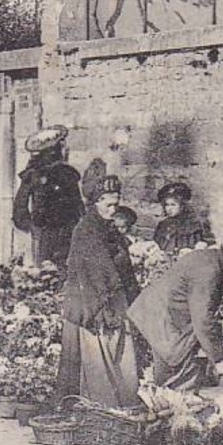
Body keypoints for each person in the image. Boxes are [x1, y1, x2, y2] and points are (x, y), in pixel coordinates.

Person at [127, 229, 223, 392]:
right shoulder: (209, 272)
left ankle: (165, 402)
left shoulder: (208, 257)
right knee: (178, 376)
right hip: (162, 317)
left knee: (170, 372)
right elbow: (203, 320)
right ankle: (175, 408)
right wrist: (220, 361)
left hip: (158, 311)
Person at [59, 163, 141, 408]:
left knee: (118, 360)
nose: (113, 208)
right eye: (108, 203)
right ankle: (101, 410)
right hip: (92, 306)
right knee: (96, 363)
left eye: (116, 203)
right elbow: (93, 272)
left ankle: (117, 407)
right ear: (95, 202)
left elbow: (122, 267)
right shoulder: (87, 230)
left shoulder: (109, 229)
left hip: (111, 302)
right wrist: (103, 308)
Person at [13, 126, 84, 270]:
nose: (63, 152)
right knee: (44, 271)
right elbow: (20, 206)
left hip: (67, 231)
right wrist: (32, 227)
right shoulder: (33, 175)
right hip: (44, 232)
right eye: (59, 148)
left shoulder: (67, 173)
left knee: (66, 268)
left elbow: (78, 204)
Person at [152, 182, 216, 255]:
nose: (169, 209)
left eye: (173, 205)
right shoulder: (163, 226)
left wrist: (199, 247)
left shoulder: (197, 224)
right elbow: (156, 246)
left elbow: (210, 247)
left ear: (182, 205)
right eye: (167, 205)